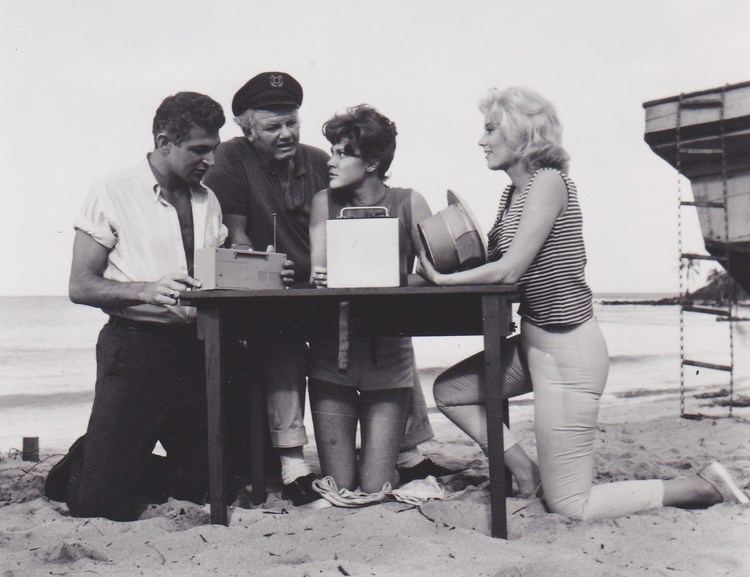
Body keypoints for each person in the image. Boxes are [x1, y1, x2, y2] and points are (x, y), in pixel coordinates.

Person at [419, 86, 749, 520]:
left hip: (568, 354)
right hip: (535, 343)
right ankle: (524, 469)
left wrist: (442, 279)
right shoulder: (510, 195)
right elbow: (495, 266)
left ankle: (700, 485)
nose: (481, 141)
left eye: (490, 129)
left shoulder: (549, 183)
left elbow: (509, 270)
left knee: (572, 506)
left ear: (521, 133)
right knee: (452, 391)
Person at [204, 73, 453, 504]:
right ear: (247, 129)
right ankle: (293, 463)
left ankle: (408, 454)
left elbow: (387, 230)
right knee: (279, 338)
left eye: (292, 123)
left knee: (388, 331)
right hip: (287, 285)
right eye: (272, 127)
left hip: (341, 289)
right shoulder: (233, 158)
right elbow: (238, 233)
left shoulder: (320, 161)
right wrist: (267, 270)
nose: (286, 134)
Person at [44, 92, 228, 521]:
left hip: (196, 351)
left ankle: (108, 455)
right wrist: (143, 290)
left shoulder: (209, 200)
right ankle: (87, 459)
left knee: (207, 484)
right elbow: (80, 285)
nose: (211, 160)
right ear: (164, 142)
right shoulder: (112, 190)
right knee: (100, 507)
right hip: (134, 349)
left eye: (215, 149)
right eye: (200, 150)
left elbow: (213, 275)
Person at [307, 104, 434, 493]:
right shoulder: (323, 202)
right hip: (330, 356)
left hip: (390, 357)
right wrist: (319, 276)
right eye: (332, 151)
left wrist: (396, 279)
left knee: (375, 486)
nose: (331, 161)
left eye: (343, 153)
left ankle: (397, 468)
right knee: (338, 485)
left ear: (374, 161)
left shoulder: (410, 201)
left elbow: (433, 276)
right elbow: (320, 274)